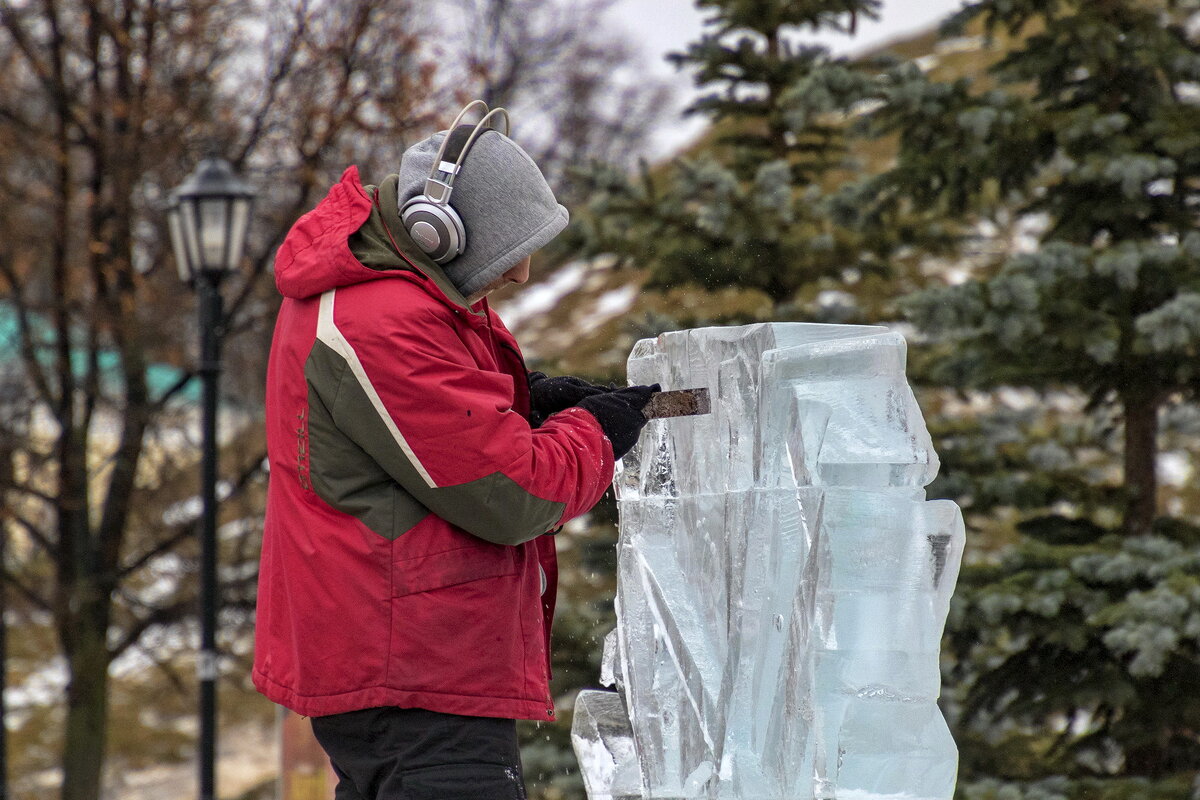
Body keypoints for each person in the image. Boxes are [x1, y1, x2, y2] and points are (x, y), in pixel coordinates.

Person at [253, 101, 657, 800]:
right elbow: (517, 493)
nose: (523, 275)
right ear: (438, 232)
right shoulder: (380, 319)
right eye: (510, 251)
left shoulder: (384, 298)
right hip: (415, 672)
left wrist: (524, 404)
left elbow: (415, 435)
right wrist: (598, 433)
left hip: (408, 663)